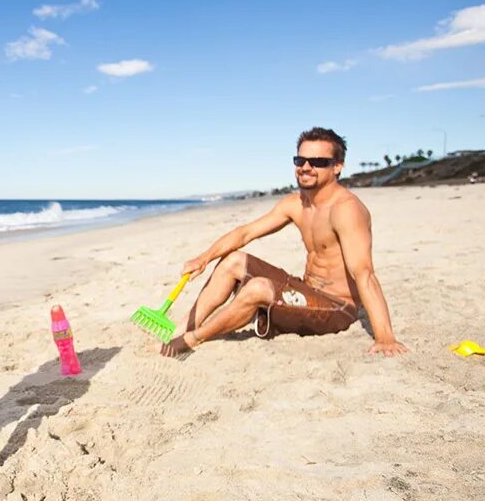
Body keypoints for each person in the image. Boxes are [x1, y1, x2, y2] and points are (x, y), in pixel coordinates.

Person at [161, 127, 407, 358]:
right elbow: (246, 233)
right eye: (300, 161)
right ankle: (181, 328)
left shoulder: (346, 210)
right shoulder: (296, 203)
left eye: (319, 162)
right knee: (233, 260)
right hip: (307, 292)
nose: (306, 167)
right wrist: (203, 258)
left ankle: (193, 338)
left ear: (337, 167)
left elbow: (364, 274)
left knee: (258, 287)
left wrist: (385, 336)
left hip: (336, 308)